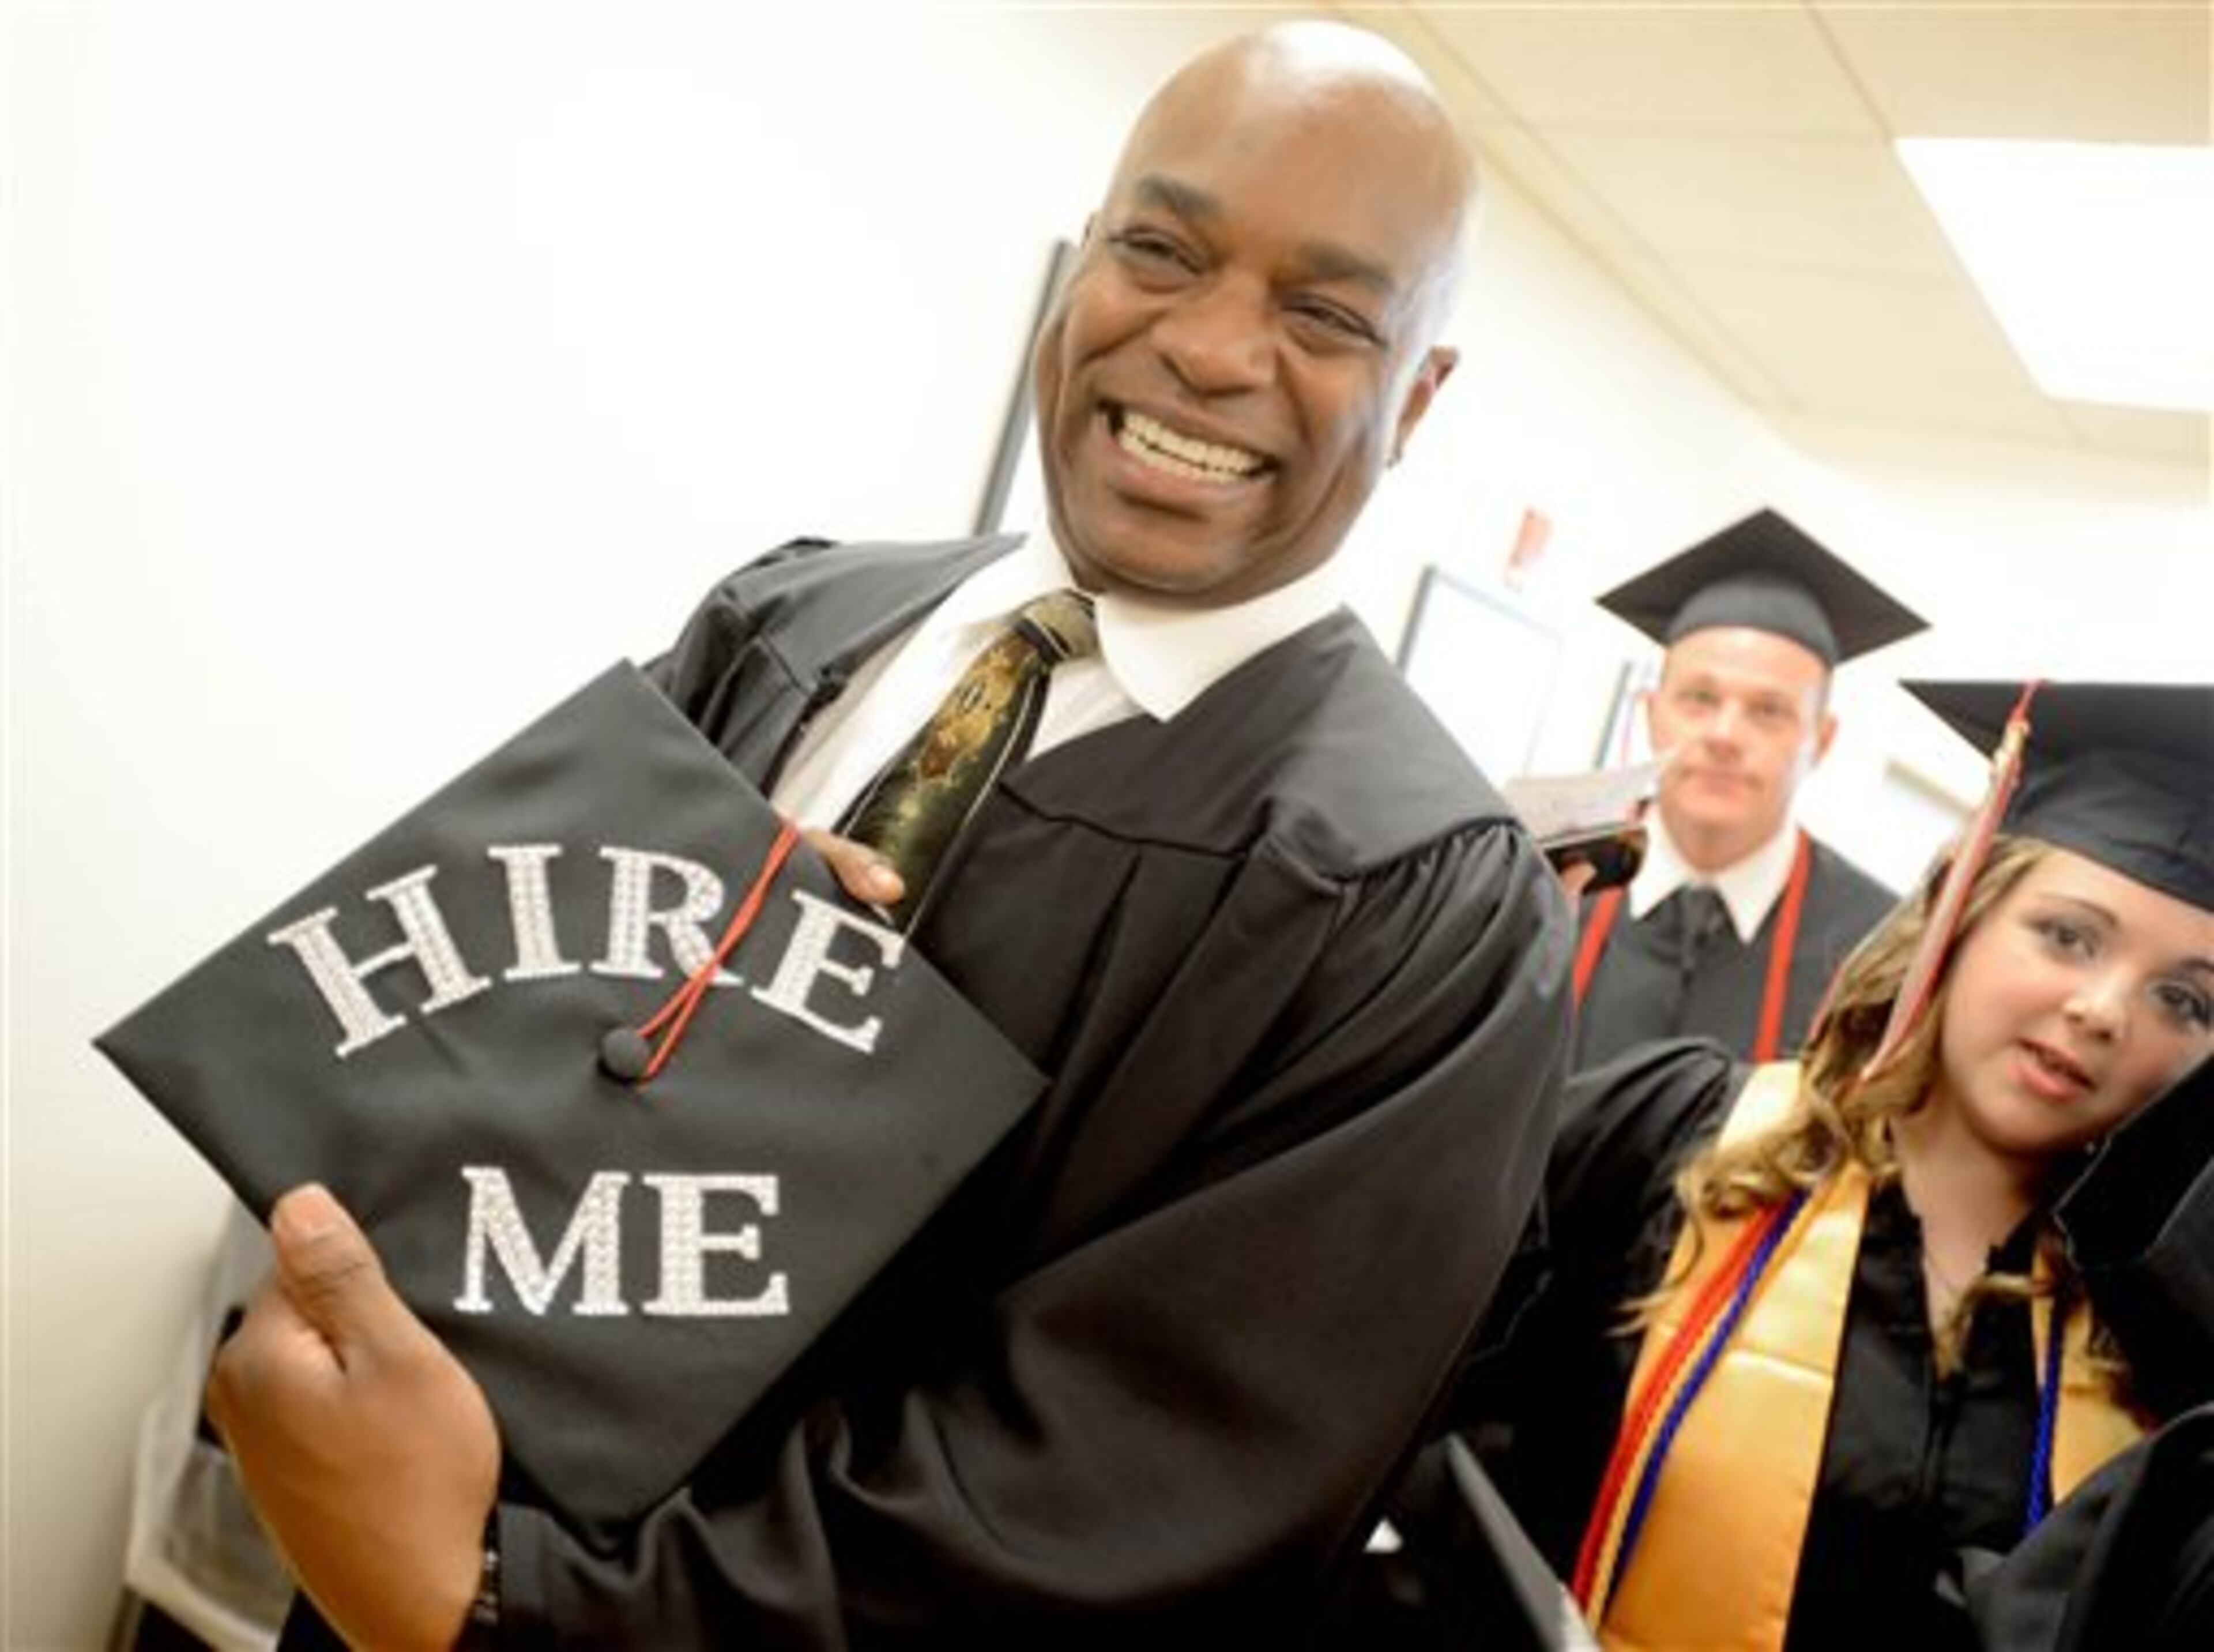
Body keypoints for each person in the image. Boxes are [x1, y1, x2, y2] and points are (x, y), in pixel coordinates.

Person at [202, 22, 1574, 1649]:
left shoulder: (1414, 913)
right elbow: (446, 1063)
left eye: (1326, 314)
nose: (1209, 348)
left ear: (1419, 393)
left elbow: (1111, 1508)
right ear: (1086, 262)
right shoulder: (793, 620)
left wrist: (500, 1603)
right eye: (1160, 249)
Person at [1347, 678, 2214, 1650]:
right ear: (1960, 912)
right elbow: (1364, 1368)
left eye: (2186, 1001)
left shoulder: (2169, 1346)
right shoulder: (1671, 1138)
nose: (2103, 1010)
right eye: (2068, 935)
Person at [1571, 509, 1926, 1069]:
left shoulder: (1875, 951)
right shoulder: (1548, 882)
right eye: (1700, 699)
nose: (1725, 736)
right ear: (1651, 714)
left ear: (1822, 740)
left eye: (1769, 711)